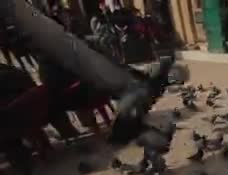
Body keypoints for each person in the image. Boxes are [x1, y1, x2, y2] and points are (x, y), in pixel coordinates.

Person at [0, 0, 174, 143]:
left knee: (65, 54)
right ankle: (131, 85)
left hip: (73, 91)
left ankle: (131, 86)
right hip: (70, 92)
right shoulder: (52, 51)